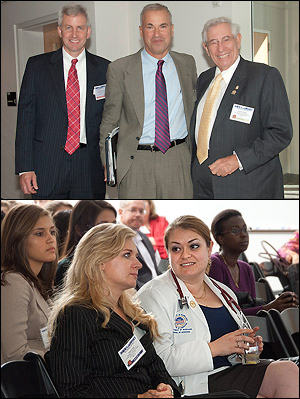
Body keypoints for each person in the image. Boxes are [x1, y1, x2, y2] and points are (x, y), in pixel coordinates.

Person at [136, 215, 299, 397]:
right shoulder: (154, 293)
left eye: (194, 246)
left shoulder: (223, 292)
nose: (185, 255)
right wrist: (215, 348)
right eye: (176, 249)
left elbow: (230, 353)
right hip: (188, 383)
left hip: (228, 373)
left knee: (288, 372)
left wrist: (244, 349)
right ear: (167, 253)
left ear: (209, 247)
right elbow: (159, 360)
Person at [48, 223, 180, 398]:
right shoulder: (75, 314)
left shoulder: (134, 314)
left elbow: (158, 370)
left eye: (136, 256)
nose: (138, 264)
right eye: (127, 255)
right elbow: (72, 390)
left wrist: (166, 389)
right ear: (99, 261)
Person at [99, 3, 197, 199]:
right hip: (135, 162)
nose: (157, 34)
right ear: (141, 31)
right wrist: (108, 164)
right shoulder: (119, 69)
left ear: (172, 29)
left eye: (163, 26)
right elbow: (109, 121)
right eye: (150, 26)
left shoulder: (187, 63)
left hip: (178, 159)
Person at [15, 2, 110, 199]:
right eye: (68, 27)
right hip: (46, 164)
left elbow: (110, 119)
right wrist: (25, 167)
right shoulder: (36, 66)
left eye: (80, 28)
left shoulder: (105, 69)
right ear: (59, 30)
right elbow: (25, 120)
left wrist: (108, 161)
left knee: (87, 219)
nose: (74, 34)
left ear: (88, 31)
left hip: (89, 166)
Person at [190, 17, 292, 199]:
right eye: (214, 42)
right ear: (206, 48)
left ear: (238, 40)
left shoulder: (264, 76)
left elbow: (280, 133)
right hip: (203, 187)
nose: (221, 48)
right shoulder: (204, 79)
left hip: (248, 186)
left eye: (226, 39)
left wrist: (238, 160)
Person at [209, 209, 298, 316]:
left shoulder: (246, 268)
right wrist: (270, 307)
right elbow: (223, 314)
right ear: (220, 239)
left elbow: (252, 309)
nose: (243, 235)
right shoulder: (215, 264)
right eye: (235, 231)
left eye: (244, 229)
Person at [1, 204, 57, 364]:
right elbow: (15, 353)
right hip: (27, 383)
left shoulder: (37, 281)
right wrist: (62, 361)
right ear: (17, 239)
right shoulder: (13, 281)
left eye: (52, 232)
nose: (50, 239)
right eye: (39, 234)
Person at [55, 200, 117, 288]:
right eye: (103, 226)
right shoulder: (65, 268)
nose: (113, 231)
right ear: (80, 229)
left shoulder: (117, 261)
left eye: (114, 225)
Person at [119, 200, 160, 289]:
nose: (138, 214)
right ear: (121, 212)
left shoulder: (144, 237)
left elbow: (153, 271)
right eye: (133, 210)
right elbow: (121, 276)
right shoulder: (116, 239)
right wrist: (149, 291)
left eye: (141, 211)